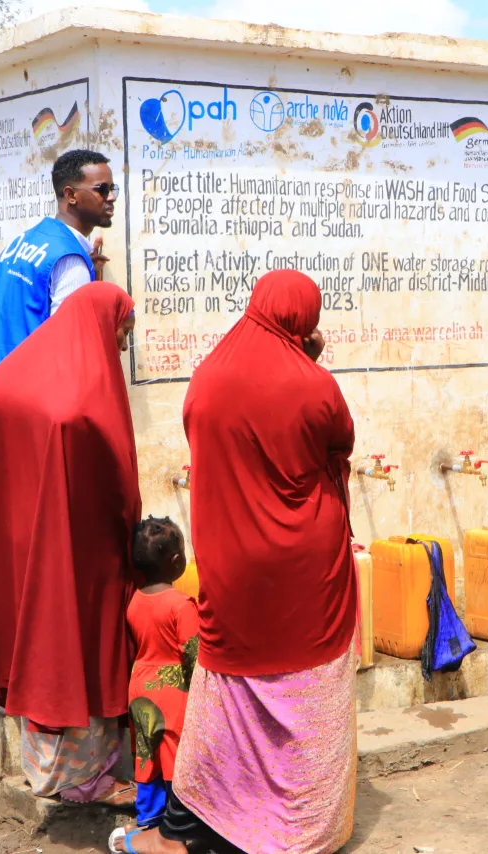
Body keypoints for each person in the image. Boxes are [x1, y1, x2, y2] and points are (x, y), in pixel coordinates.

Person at [113, 270, 356, 854]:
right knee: (307, 691)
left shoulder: (208, 378)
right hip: (308, 572)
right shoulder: (315, 386)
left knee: (225, 696)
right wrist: (309, 363)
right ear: (301, 320)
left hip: (234, 568)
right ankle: (300, 831)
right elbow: (338, 442)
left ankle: (183, 832)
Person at [0, 281, 140, 805]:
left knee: (44, 643)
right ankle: (81, 778)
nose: (123, 344)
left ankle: (50, 772)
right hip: (81, 553)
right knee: (74, 649)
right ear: (103, 326)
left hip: (37, 543)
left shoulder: (38, 368)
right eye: (123, 332)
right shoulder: (85, 392)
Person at [0, 149, 115, 392]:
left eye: (112, 189)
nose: (111, 197)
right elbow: (67, 349)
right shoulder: (70, 260)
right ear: (70, 195)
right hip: (22, 395)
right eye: (102, 189)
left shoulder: (25, 240)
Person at [127, 517, 198, 828]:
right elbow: (193, 655)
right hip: (173, 691)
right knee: (174, 753)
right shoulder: (182, 605)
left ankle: (147, 816)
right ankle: (176, 821)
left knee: (147, 752)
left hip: (140, 684)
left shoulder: (135, 600)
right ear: (176, 560)